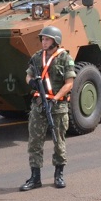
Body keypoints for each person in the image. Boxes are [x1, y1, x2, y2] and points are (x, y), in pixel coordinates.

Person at [20, 26, 75, 191]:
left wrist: (55, 99)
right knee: (35, 142)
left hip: (58, 106)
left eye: (47, 39)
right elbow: (28, 75)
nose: (44, 42)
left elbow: (69, 83)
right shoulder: (37, 58)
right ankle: (35, 177)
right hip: (38, 105)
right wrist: (31, 82)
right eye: (42, 39)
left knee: (59, 141)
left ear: (55, 41)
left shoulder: (65, 58)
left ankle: (59, 175)